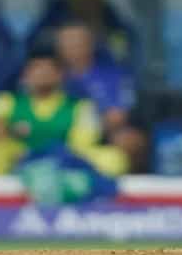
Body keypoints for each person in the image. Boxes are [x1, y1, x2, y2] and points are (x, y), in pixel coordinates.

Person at [0, 48, 126, 177]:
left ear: (60, 75)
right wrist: (7, 130)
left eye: (48, 70)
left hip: (62, 162)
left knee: (112, 159)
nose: (42, 74)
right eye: (36, 69)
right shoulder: (7, 101)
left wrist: (51, 156)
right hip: (18, 161)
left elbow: (81, 146)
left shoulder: (80, 107)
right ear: (25, 75)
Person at [55, 22, 145, 171]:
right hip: (56, 130)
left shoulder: (113, 75)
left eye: (77, 42)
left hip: (98, 133)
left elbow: (117, 117)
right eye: (67, 42)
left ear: (90, 44)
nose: (72, 47)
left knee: (129, 139)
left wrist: (86, 127)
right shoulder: (51, 74)